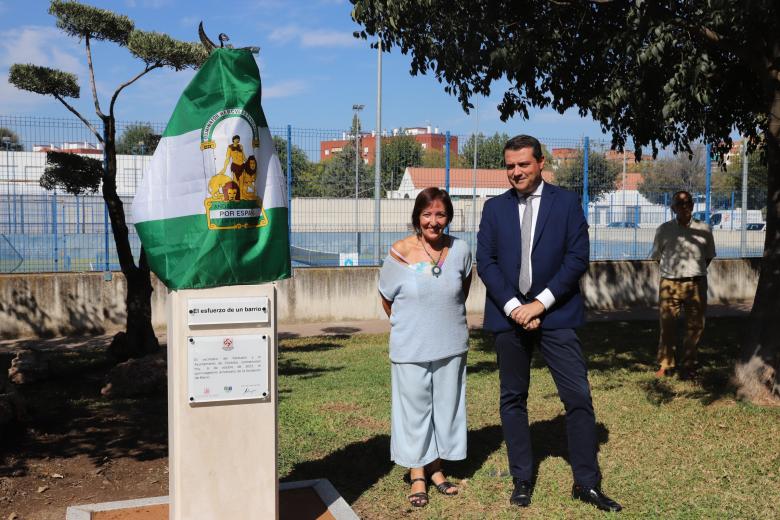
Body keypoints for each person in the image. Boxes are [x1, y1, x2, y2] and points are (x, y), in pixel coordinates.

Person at [476, 135, 621, 512]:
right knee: (512, 398)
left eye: (523, 164)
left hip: (556, 314)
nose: (516, 172)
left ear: (540, 163)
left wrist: (539, 305)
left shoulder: (567, 203)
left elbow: (577, 258)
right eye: (510, 165)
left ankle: (586, 483)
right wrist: (513, 307)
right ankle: (522, 478)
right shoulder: (493, 209)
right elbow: (486, 262)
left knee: (578, 398)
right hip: (509, 316)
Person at [378, 187, 473, 508]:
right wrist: (412, 325)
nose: (434, 221)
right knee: (415, 411)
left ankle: (437, 469)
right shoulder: (399, 252)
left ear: (449, 217)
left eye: (441, 214)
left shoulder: (461, 250)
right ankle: (417, 473)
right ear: (417, 217)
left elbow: (461, 290)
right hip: (411, 348)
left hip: (451, 344)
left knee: (446, 410)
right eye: (427, 214)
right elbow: (386, 298)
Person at [650, 190, 716, 379]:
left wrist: (693, 271)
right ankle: (666, 364)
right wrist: (672, 272)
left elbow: (708, 256)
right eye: (680, 204)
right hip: (669, 284)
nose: (684, 206)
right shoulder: (663, 230)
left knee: (695, 326)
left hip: (696, 283)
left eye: (688, 202)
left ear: (693, 205)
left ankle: (690, 365)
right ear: (673, 208)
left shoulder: (704, 229)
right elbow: (657, 257)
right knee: (667, 325)